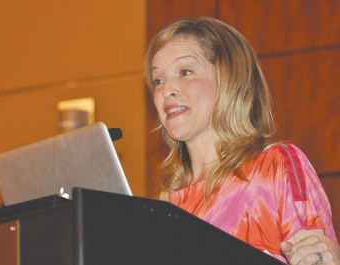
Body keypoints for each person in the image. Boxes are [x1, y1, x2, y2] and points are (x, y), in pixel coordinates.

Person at [144, 16, 340, 265]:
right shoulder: (164, 204)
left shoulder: (274, 167)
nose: (165, 90)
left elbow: (319, 257)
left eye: (185, 72)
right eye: (157, 80)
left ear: (229, 80)